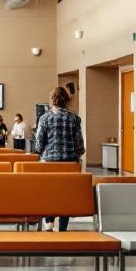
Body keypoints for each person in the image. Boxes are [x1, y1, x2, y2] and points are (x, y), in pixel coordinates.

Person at [33, 86, 85, 231]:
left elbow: (38, 145)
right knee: (66, 195)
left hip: (48, 163)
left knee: (48, 192)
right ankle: (63, 228)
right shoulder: (74, 118)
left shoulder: (44, 118)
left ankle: (48, 222)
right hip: (69, 163)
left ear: (52, 101)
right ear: (66, 101)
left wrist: (44, 153)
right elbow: (80, 146)